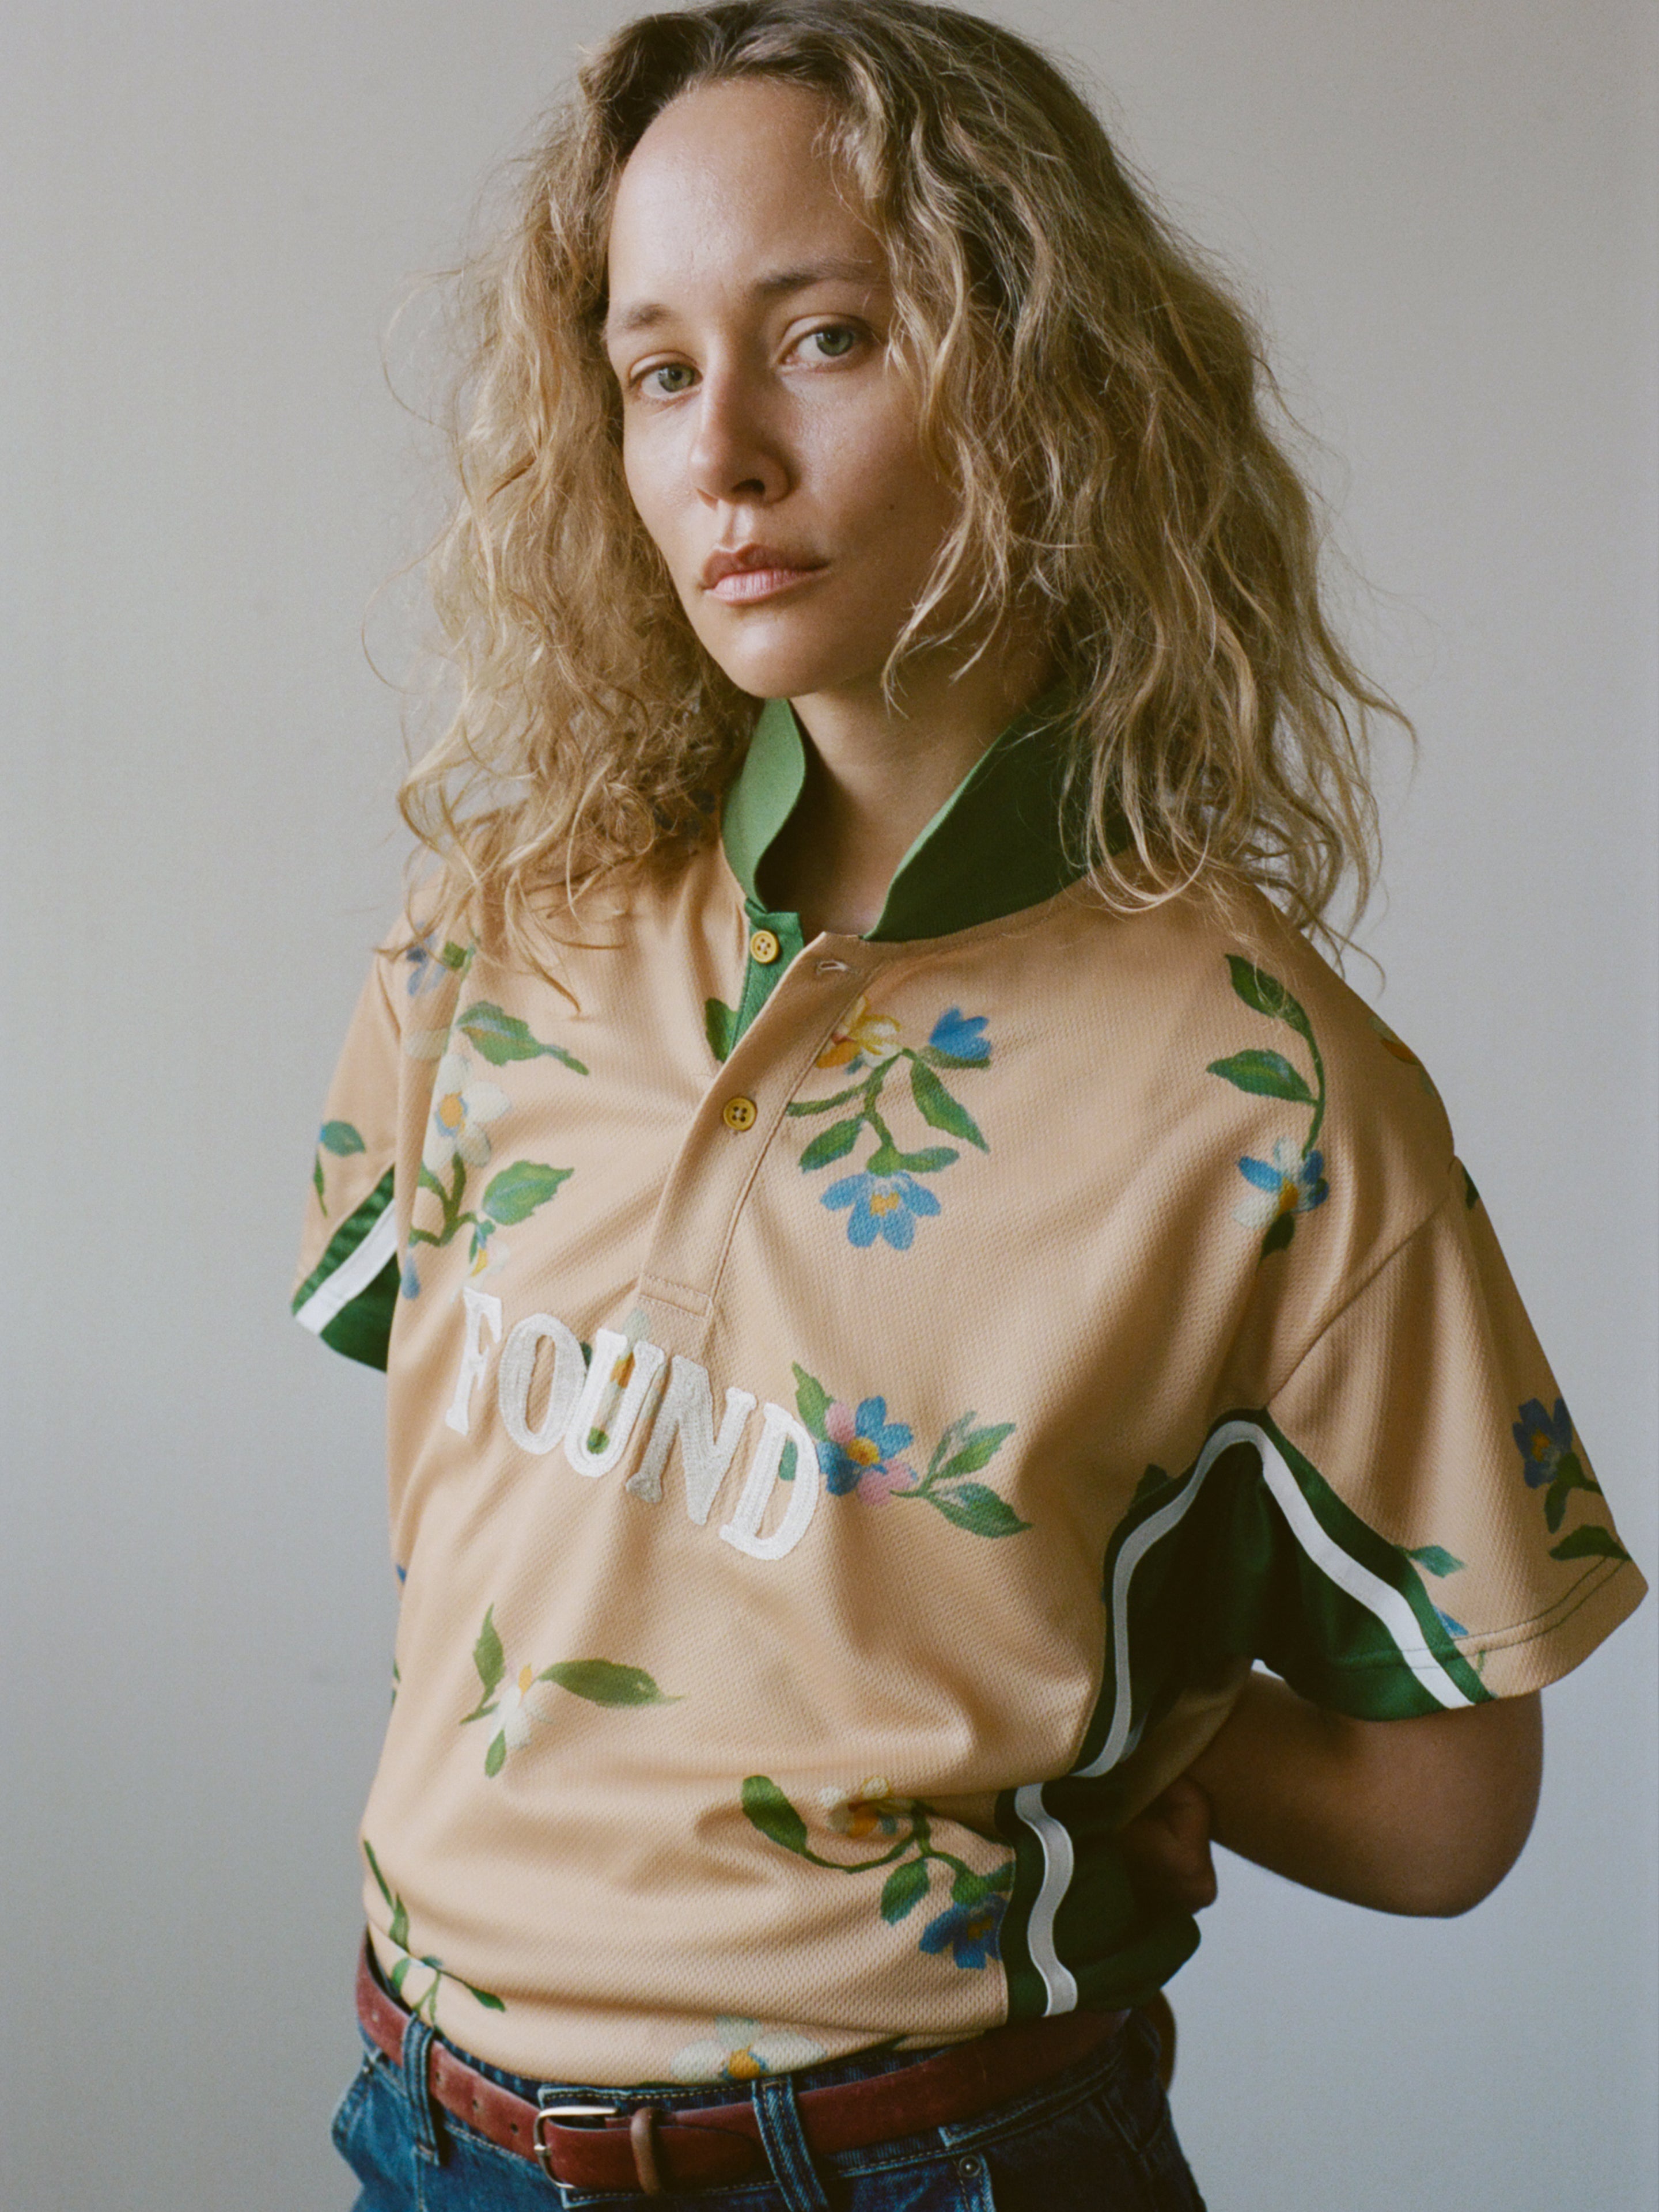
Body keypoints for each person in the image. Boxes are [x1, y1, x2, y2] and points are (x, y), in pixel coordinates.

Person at [293, 5, 1646, 2205]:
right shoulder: (495, 934)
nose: (719, 450)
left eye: (822, 336)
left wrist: (1143, 1710)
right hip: (425, 2129)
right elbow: (482, 1527)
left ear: (1041, 368)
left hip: (927, 2159)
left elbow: (1448, 1809)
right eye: (654, 371)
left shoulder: (1263, 1088)